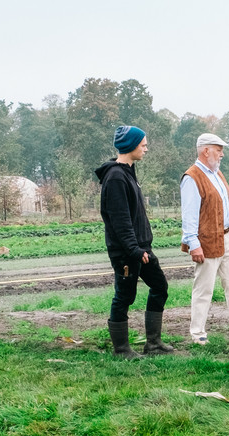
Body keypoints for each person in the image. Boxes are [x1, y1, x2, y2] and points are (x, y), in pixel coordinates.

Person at [95, 126, 174, 359]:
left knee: (159, 286)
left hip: (141, 248)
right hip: (128, 252)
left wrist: (142, 247)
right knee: (124, 297)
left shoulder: (129, 172)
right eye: (143, 144)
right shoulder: (116, 177)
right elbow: (120, 221)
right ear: (131, 146)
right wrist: (134, 250)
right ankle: (121, 349)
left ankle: (153, 343)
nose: (146, 148)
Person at [180, 133, 229, 345]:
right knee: (204, 288)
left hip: (227, 237)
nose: (222, 154)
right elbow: (189, 215)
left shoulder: (217, 173)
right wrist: (193, 245)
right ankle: (198, 334)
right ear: (206, 151)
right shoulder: (192, 177)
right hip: (206, 242)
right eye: (218, 149)